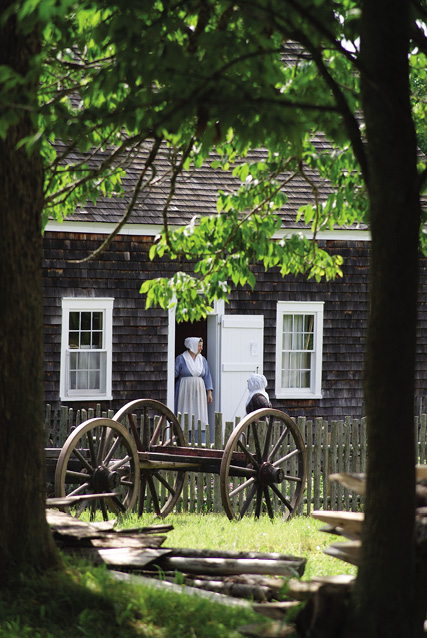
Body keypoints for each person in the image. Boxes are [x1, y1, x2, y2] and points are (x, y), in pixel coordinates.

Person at [175, 337, 213, 428]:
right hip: (184, 391)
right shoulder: (181, 359)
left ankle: (199, 436)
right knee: (185, 412)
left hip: (199, 391)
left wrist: (209, 392)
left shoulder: (202, 360)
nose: (201, 348)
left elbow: (207, 376)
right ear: (192, 346)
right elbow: (174, 373)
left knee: (199, 414)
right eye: (199, 346)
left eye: (201, 346)